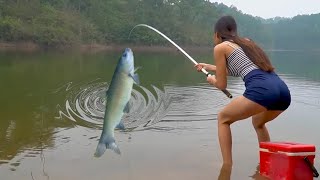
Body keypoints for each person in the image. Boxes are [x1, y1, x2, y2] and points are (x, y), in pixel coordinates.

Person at [195, 15, 291, 166]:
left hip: (262, 90)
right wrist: (208, 66)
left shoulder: (220, 47)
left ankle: (227, 166)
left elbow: (221, 85)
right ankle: (267, 163)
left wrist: (211, 80)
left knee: (223, 118)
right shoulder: (247, 43)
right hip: (282, 91)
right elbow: (239, 69)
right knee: (258, 122)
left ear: (216, 34)